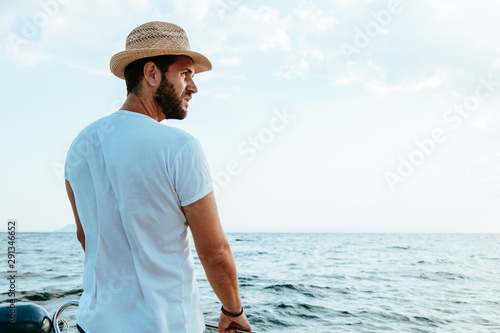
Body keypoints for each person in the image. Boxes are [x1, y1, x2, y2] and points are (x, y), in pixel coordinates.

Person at [64, 21, 252, 333]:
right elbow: (214, 251)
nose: (193, 87)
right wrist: (233, 309)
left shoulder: (79, 145)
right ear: (152, 73)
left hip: (91, 324)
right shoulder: (180, 148)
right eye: (185, 74)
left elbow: (85, 236)